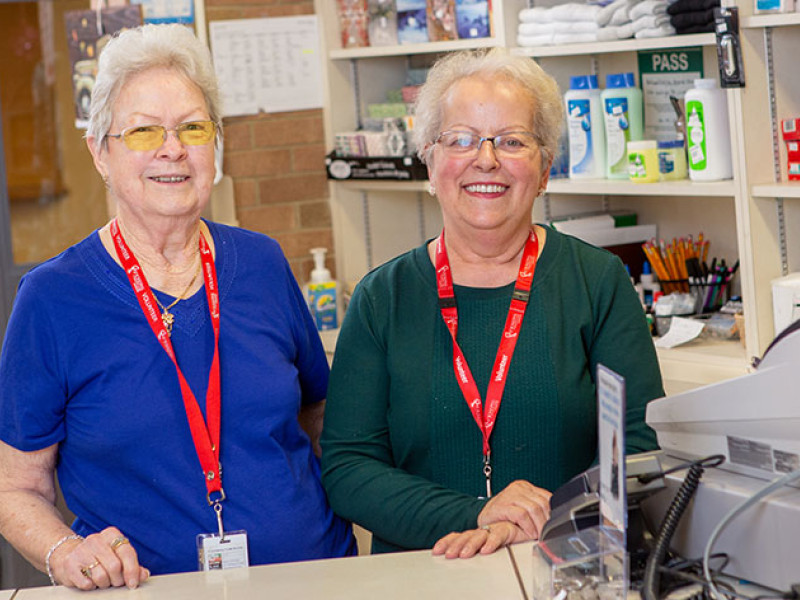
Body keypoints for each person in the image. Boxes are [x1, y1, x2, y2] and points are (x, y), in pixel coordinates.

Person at [0, 24, 355, 591]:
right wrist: (65, 551)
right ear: (100, 153)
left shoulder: (261, 263)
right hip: (150, 588)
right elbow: (15, 487)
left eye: (193, 127)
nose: (173, 148)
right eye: (143, 132)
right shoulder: (52, 300)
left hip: (315, 575)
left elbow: (318, 414)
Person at [320, 48, 663, 560]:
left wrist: (557, 521)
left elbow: (638, 445)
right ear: (431, 163)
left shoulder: (597, 281)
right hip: (422, 574)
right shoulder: (381, 298)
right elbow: (349, 469)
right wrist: (478, 513)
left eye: (512, 141)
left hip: (568, 564)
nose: (486, 159)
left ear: (545, 167)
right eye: (461, 139)